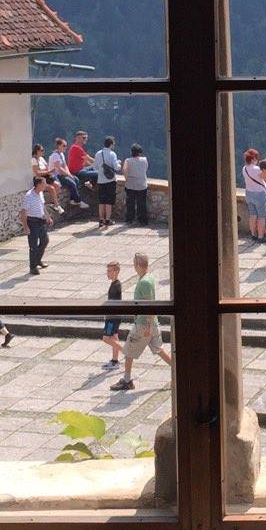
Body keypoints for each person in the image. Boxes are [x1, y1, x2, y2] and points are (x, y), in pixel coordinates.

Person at [110, 252, 172, 392]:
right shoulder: (148, 277)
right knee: (159, 349)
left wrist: (148, 327)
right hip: (151, 323)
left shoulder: (144, 282)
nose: (133, 266)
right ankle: (177, 370)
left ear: (138, 265)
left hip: (143, 324)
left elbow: (149, 304)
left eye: (134, 263)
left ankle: (126, 380)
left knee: (129, 351)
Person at [21, 176, 51, 274]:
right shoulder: (29, 196)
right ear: (38, 184)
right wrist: (26, 227)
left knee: (45, 241)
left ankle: (38, 260)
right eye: (44, 183)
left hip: (40, 221)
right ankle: (33, 267)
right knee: (33, 245)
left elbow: (42, 207)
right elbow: (23, 212)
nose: (46, 185)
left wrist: (48, 217)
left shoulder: (41, 193)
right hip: (32, 222)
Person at [48, 137, 88, 209]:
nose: (65, 147)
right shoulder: (55, 156)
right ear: (58, 146)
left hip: (62, 174)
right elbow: (59, 169)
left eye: (66, 146)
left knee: (76, 179)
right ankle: (78, 200)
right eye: (64, 146)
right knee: (71, 183)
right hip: (56, 175)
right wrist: (69, 175)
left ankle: (73, 199)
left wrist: (69, 174)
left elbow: (65, 165)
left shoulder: (61, 155)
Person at [94, 135, 123, 229]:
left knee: (101, 201)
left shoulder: (98, 153)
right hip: (110, 180)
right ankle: (107, 220)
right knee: (109, 202)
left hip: (101, 180)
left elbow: (95, 167)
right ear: (111, 144)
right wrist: (119, 163)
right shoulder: (112, 154)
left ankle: (101, 220)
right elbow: (117, 167)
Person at [100, 259, 124, 368]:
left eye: (110, 271)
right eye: (107, 271)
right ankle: (115, 361)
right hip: (116, 316)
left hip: (112, 317)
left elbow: (113, 302)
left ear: (116, 272)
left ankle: (127, 353)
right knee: (114, 337)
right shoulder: (115, 284)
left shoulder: (116, 285)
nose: (107, 273)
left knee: (106, 338)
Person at [241, 148, 266, 242]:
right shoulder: (257, 169)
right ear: (253, 159)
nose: (257, 160)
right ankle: (260, 237)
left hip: (249, 194)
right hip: (260, 195)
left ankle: (253, 235)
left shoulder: (244, 169)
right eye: (256, 158)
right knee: (261, 216)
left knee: (252, 215)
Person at [31, 143, 64, 214]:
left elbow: (47, 167)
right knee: (51, 188)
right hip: (38, 179)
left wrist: (49, 171)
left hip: (46, 177)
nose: (43, 152)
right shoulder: (33, 160)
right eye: (41, 150)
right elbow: (37, 172)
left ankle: (54, 202)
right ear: (37, 151)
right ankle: (57, 205)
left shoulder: (41, 159)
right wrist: (48, 171)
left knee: (57, 185)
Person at [122, 142, 149, 226]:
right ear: (140, 152)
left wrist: (126, 179)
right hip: (142, 184)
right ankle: (143, 220)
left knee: (130, 203)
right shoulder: (144, 160)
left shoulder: (128, 160)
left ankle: (129, 219)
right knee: (142, 203)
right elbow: (146, 169)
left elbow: (124, 171)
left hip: (131, 184)